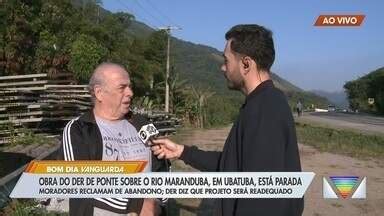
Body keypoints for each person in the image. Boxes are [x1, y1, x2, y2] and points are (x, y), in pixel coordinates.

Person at [151, 24, 303, 216]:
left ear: (246, 64)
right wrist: (181, 151)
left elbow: (262, 196)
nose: (223, 67)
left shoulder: (265, 109)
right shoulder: (261, 103)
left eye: (226, 60)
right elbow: (232, 165)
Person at [58, 63, 168, 216]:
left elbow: (163, 165)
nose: (130, 93)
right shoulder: (79, 129)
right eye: (122, 88)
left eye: (129, 87)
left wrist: (157, 202)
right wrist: (136, 204)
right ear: (99, 93)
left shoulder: (143, 124)